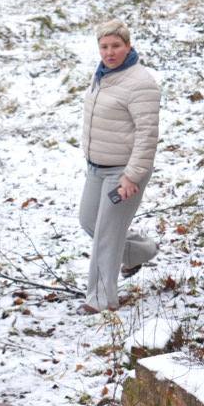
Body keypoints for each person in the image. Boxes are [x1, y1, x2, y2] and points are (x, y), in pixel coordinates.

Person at [78, 19, 160, 314]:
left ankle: (100, 301)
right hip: (97, 167)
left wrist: (132, 176)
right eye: (104, 46)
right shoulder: (102, 75)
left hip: (123, 172)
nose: (109, 52)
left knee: (106, 237)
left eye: (116, 46)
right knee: (89, 221)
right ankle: (143, 251)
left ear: (129, 46)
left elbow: (147, 135)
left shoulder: (141, 83)